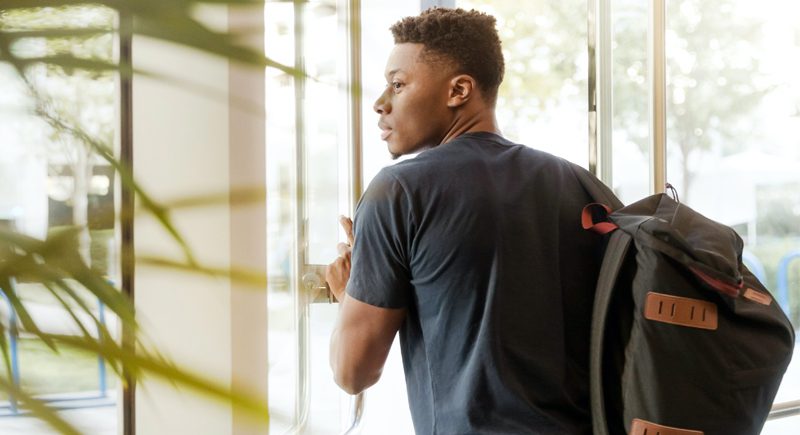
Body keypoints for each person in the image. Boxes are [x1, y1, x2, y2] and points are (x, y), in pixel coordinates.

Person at [326, 7, 604, 434]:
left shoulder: (399, 191)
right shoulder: (579, 184)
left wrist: (349, 292)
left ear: (459, 90)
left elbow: (353, 373)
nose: (380, 103)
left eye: (397, 85)